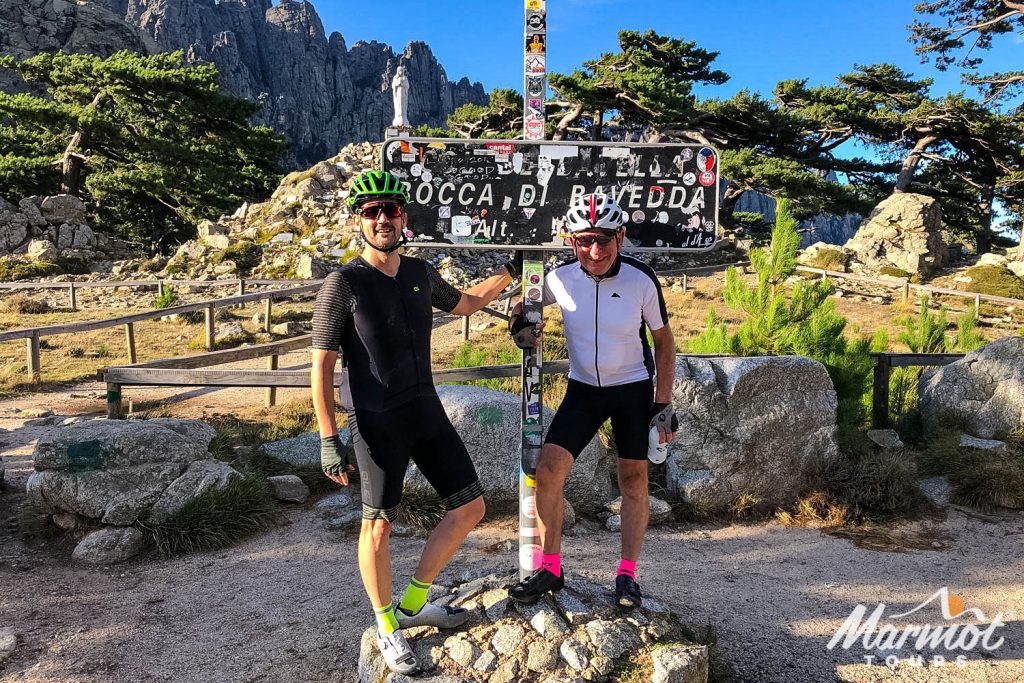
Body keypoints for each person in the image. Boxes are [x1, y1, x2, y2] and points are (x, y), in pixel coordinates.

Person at [311, 170, 520, 674]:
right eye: (371, 211)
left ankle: (412, 604)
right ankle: (386, 625)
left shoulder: (420, 274)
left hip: (426, 410)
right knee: (378, 526)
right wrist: (327, 437)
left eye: (391, 210)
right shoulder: (342, 283)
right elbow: (320, 365)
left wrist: (510, 271)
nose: (383, 218)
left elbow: (467, 304)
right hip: (376, 421)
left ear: (404, 216)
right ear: (359, 220)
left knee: (470, 507)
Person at [508, 192, 678, 608]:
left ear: (620, 237)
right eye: (585, 240)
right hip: (583, 389)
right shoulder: (560, 277)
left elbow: (664, 341)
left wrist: (663, 404)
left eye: (604, 239)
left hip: (632, 388)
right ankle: (550, 568)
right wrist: (519, 326)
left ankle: (626, 575)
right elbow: (521, 304)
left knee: (633, 481)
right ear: (572, 241)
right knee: (547, 471)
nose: (595, 250)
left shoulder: (641, 279)